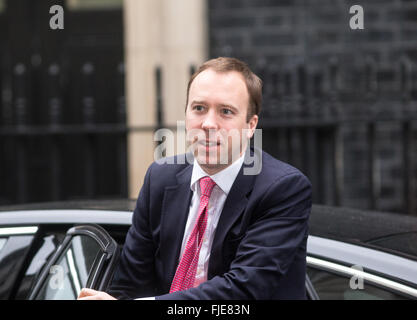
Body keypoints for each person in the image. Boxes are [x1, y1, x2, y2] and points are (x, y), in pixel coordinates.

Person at [78, 57, 312, 300]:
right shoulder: (159, 179)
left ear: (251, 125)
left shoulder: (283, 188)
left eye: (226, 111)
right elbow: (130, 285)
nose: (209, 124)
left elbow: (244, 289)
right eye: (199, 108)